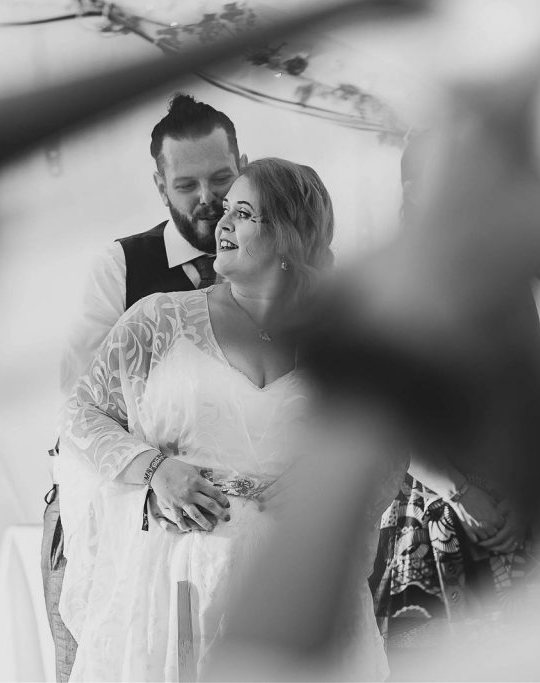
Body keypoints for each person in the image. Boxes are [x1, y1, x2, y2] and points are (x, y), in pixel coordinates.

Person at [58, 158, 400, 680]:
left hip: (296, 583)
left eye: (243, 213)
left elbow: (387, 442)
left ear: (288, 238)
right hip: (178, 581)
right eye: (226, 211)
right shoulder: (159, 319)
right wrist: (153, 471)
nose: (221, 224)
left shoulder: (347, 340)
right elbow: (82, 415)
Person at [40, 93, 244, 682]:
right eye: (187, 184)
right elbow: (75, 404)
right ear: (160, 185)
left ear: (244, 166)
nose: (207, 199)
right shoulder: (122, 267)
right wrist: (152, 471)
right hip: (118, 519)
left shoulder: (283, 268)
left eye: (221, 178)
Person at [369, 132, 540, 647]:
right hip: (426, 509)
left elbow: (535, 398)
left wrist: (523, 498)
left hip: (512, 507)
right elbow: (388, 415)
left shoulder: (508, 280)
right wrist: (459, 492)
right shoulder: (388, 282)